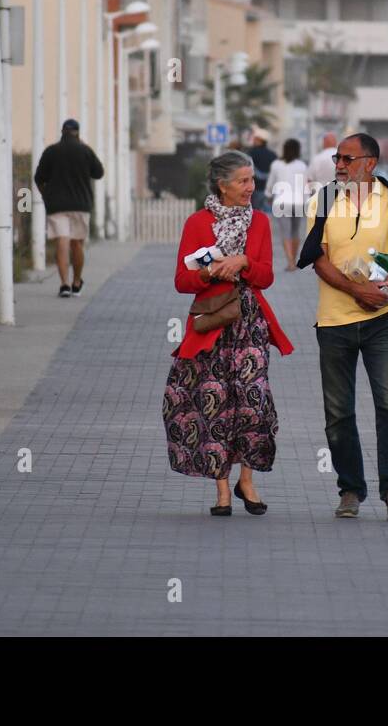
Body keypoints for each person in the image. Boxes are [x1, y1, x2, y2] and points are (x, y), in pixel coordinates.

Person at [163, 151, 294, 516]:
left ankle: (246, 480)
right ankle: (222, 491)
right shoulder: (197, 223)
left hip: (249, 322)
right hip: (211, 323)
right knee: (216, 403)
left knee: (253, 404)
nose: (250, 188)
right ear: (222, 185)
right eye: (242, 181)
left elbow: (266, 275)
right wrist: (209, 273)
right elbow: (181, 281)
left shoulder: (261, 223)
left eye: (252, 180)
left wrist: (245, 262)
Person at [298, 132, 388, 520]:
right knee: (338, 413)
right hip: (334, 321)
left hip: (383, 319)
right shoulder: (325, 199)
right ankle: (350, 490)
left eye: (347, 159)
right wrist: (356, 291)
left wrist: (384, 288)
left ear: (370, 163)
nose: (339, 165)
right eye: (337, 158)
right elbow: (319, 258)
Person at [34, 119, 104, 298]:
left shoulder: (51, 151)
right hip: (81, 204)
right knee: (77, 242)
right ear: (77, 133)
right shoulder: (85, 151)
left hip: (56, 204)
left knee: (62, 241)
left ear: (62, 132)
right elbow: (99, 173)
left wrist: (46, 195)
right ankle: (77, 282)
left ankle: (64, 284)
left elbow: (39, 177)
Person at [267, 138, 309, 271]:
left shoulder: (276, 164)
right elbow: (305, 186)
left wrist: (268, 195)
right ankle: (294, 260)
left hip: (281, 202)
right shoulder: (302, 165)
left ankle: (290, 262)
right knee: (295, 232)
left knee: (285, 233)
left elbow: (271, 182)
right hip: (298, 202)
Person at [247, 128, 275, 213]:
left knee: (255, 213)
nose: (253, 140)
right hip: (270, 189)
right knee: (267, 213)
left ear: (260, 140)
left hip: (255, 188)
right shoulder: (272, 154)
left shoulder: (251, 153)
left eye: (255, 139)